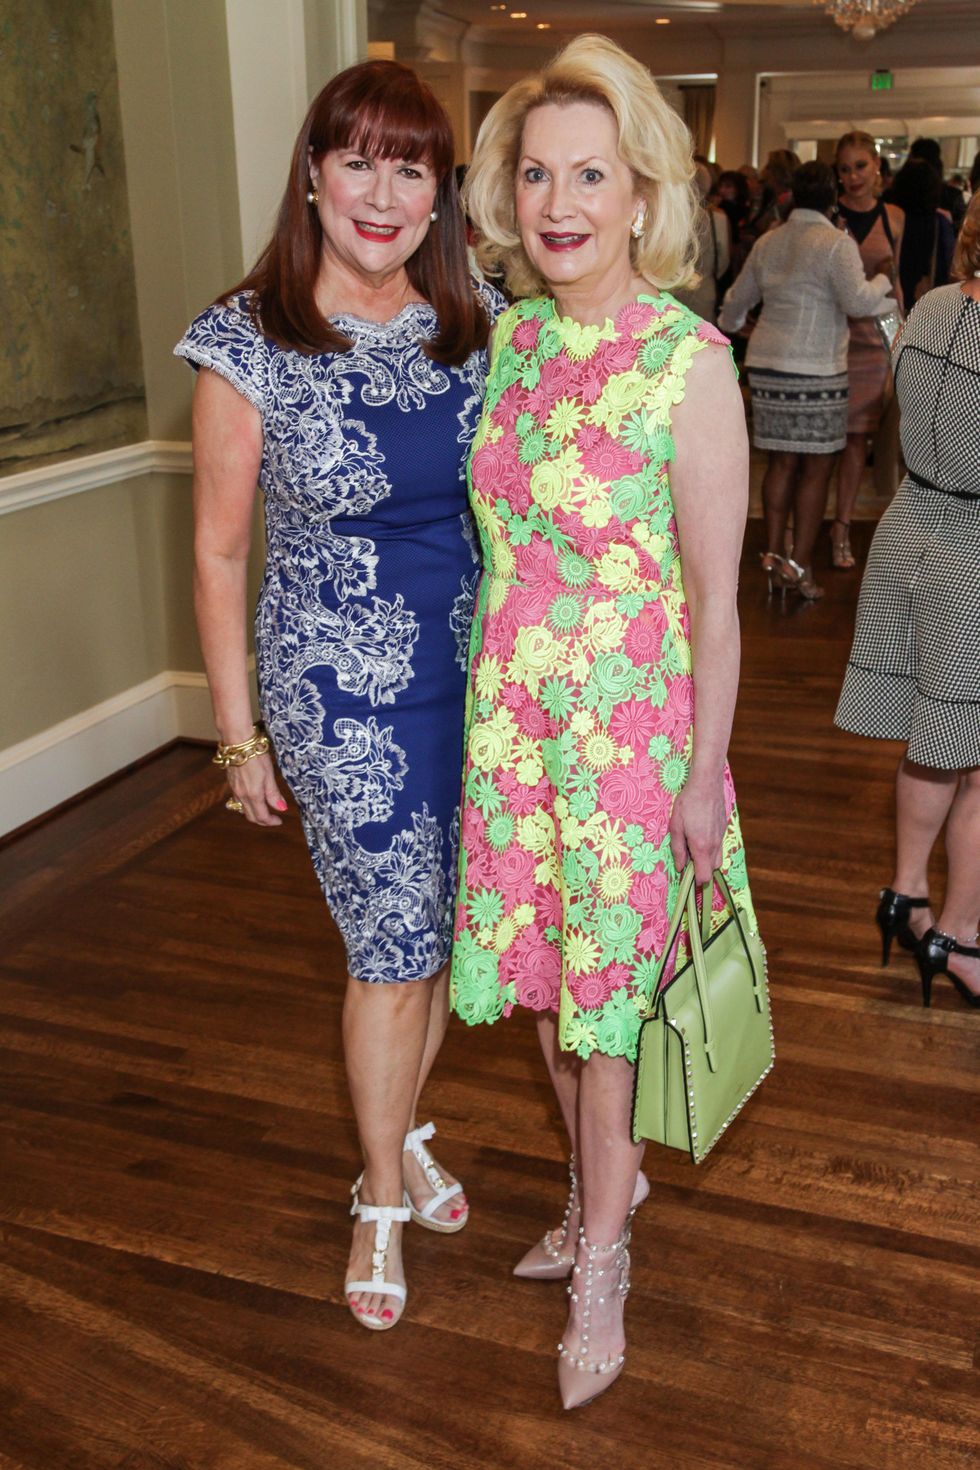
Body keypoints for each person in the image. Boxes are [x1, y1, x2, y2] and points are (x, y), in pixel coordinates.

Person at [452, 33, 758, 1408]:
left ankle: (605, 1267)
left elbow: (717, 594)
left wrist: (705, 775)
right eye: (536, 175)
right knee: (543, 981)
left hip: (630, 730)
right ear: (510, 193)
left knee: (610, 1009)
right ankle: (594, 1189)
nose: (559, 202)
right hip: (515, 716)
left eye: (591, 174)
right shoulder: (512, 341)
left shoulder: (689, 363)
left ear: (642, 195)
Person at [175, 60, 504, 1332]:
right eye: (356, 158)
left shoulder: (469, 328)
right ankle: (378, 1195)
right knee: (389, 949)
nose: (381, 190)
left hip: (477, 680)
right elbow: (214, 551)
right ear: (311, 176)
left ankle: (403, 1130)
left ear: (437, 195)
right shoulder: (245, 340)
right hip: (341, 695)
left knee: (437, 943)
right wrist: (235, 733)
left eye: (409, 165)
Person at [835, 193, 980, 1011]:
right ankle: (958, 937)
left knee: (937, 741)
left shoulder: (926, 306)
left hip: (909, 526)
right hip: (972, 550)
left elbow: (901, 408)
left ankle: (906, 894)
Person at [719, 161, 895, 601]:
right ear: (833, 196)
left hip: (769, 364)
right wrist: (884, 279)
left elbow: (737, 301)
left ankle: (773, 557)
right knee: (816, 470)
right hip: (817, 369)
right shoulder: (837, 244)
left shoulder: (769, 241)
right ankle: (799, 566)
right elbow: (858, 301)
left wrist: (733, 322)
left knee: (780, 464)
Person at [830, 131, 905, 570]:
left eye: (860, 166)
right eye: (845, 168)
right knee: (825, 442)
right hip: (832, 336)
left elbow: (901, 284)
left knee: (858, 437)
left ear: (876, 166)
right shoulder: (830, 216)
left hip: (875, 341)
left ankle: (842, 527)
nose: (853, 176)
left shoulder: (894, 217)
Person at [888, 158, 955, 307]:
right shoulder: (939, 222)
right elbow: (948, 264)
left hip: (893, 296)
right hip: (930, 298)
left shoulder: (891, 218)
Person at [675, 161, 731, 323]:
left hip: (670, 289)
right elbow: (723, 261)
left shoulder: (668, 217)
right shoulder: (717, 218)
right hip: (703, 290)